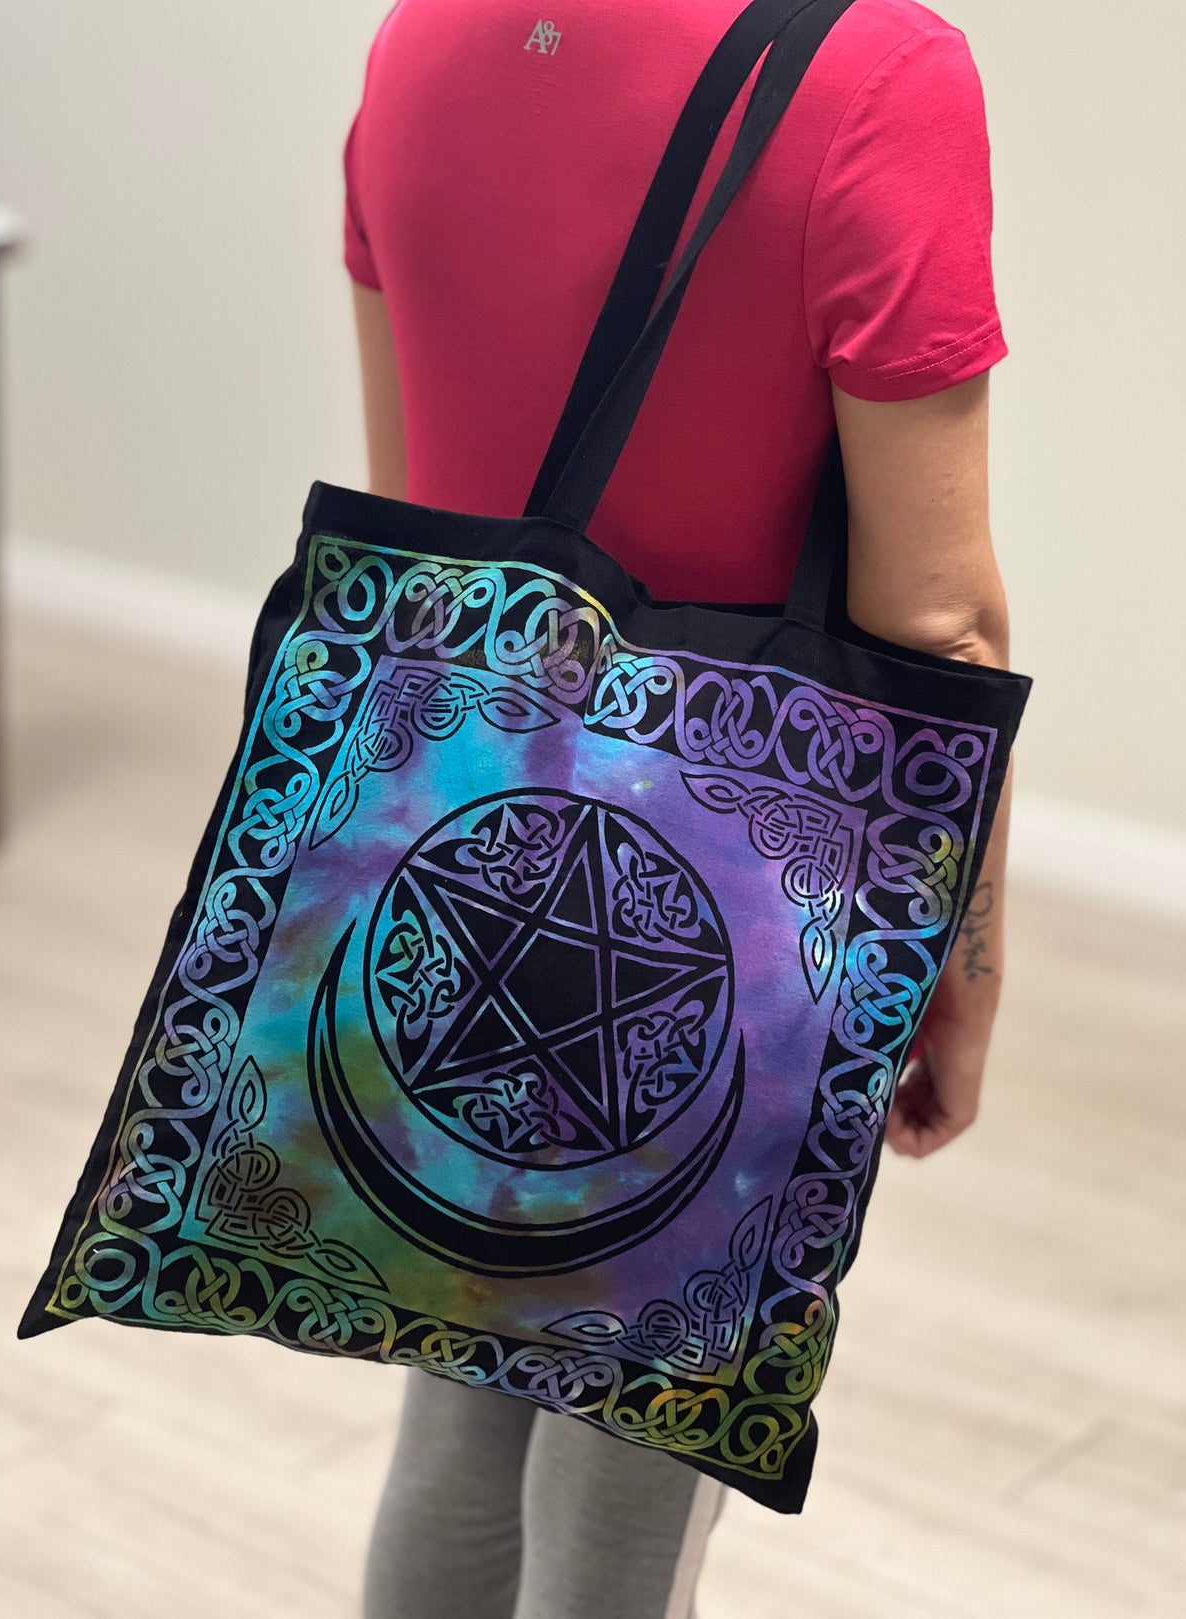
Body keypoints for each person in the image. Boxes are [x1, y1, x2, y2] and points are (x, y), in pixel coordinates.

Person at [342, 2, 1014, 1615]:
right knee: (628, 1477)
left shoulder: (417, 40)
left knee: (460, 1393)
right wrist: (966, 970)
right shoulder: (881, 74)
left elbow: (419, 524)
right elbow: (940, 634)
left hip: (462, 834)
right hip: (738, 892)